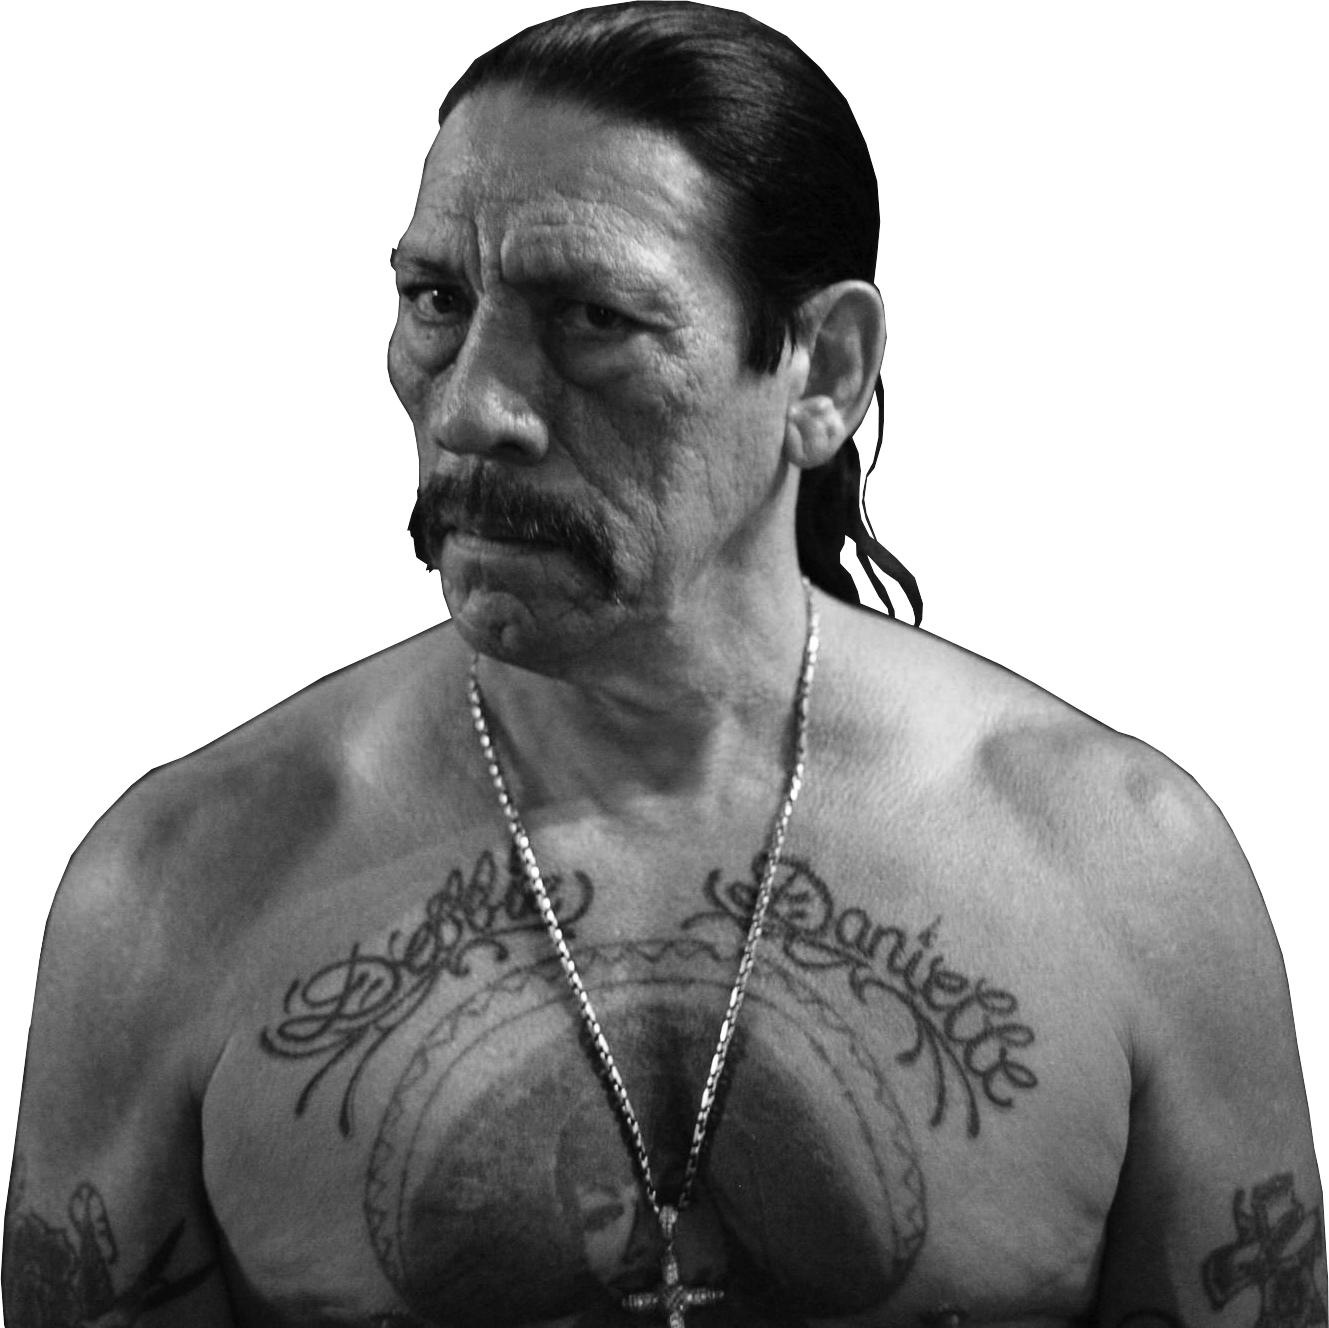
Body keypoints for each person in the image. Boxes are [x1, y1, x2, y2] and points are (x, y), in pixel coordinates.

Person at [3, 3, 1323, 1325]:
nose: (473, 407)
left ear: (824, 368)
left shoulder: (1118, 871)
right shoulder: (180, 891)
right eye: (437, 301)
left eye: (591, 318)